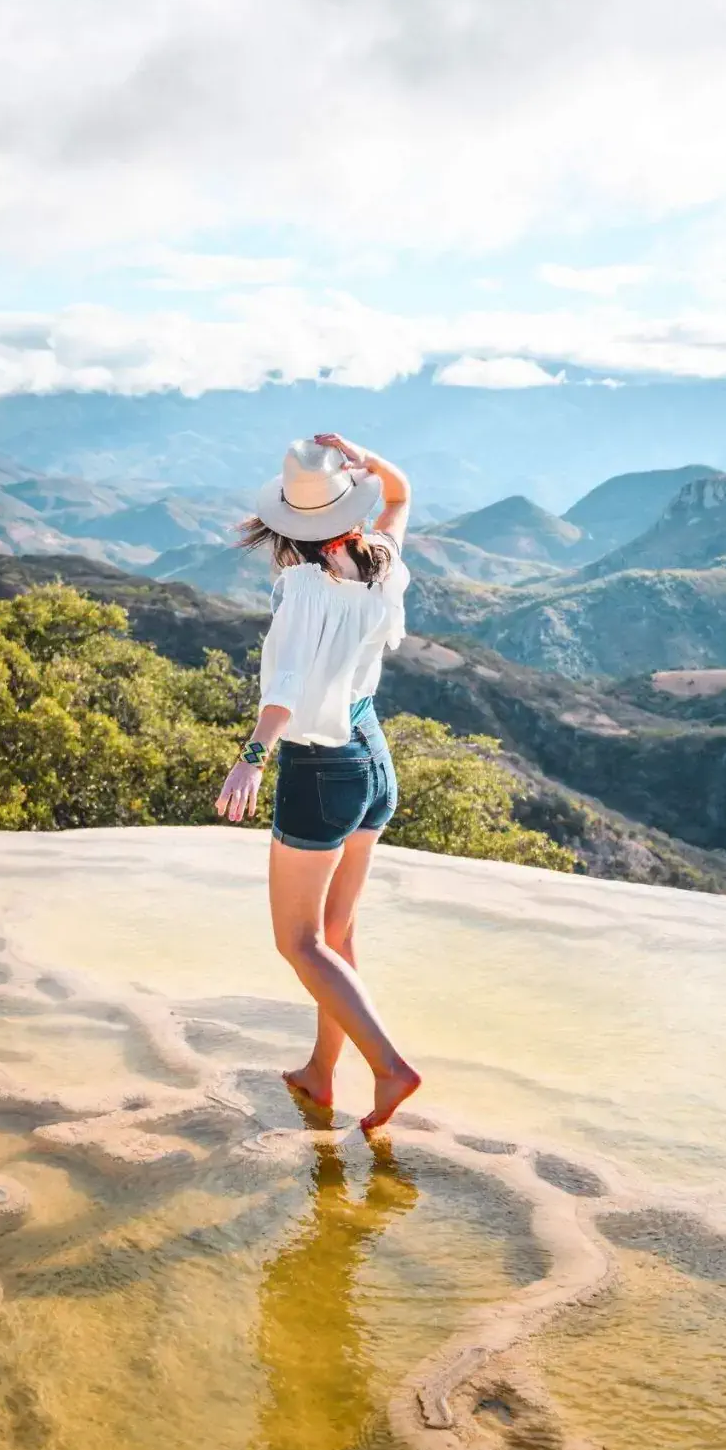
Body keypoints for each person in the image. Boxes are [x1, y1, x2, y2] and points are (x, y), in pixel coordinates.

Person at [216, 433, 421, 1134]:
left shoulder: (303, 587)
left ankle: (390, 1065)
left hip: (320, 766)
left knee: (299, 942)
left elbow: (287, 686)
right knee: (336, 932)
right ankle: (321, 1071)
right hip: (371, 755)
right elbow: (401, 493)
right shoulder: (382, 560)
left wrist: (251, 755)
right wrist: (362, 454)